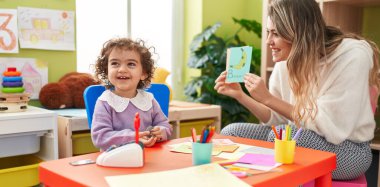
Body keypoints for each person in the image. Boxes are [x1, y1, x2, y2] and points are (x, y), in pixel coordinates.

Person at [215, 0, 380, 180]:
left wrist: (269, 98)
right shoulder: (286, 60)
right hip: (296, 137)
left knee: (289, 139)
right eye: (268, 32)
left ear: (298, 33)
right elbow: (277, 122)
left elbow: (331, 127)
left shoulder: (350, 57)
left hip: (349, 150)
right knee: (232, 133)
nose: (269, 41)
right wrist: (241, 96)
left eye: (276, 34)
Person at [91, 38, 172, 151]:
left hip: (148, 157)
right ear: (106, 71)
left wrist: (161, 130)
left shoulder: (149, 100)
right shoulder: (105, 102)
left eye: (131, 64)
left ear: (143, 73)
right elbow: (100, 137)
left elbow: (165, 125)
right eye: (115, 63)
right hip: (115, 160)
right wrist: (133, 137)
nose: (122, 69)